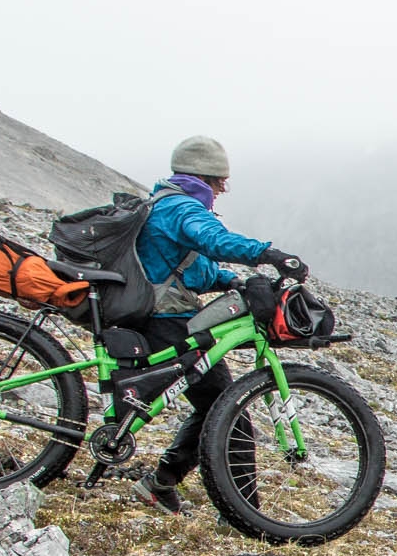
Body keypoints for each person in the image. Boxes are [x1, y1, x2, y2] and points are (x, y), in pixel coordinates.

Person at [128, 135, 310, 515]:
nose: (223, 188)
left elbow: (190, 270)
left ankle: (161, 483)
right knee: (229, 412)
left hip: (162, 317)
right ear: (202, 176)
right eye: (218, 180)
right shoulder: (181, 207)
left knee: (214, 405)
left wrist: (230, 281)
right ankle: (244, 513)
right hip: (167, 322)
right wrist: (268, 254)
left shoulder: (164, 203)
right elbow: (213, 239)